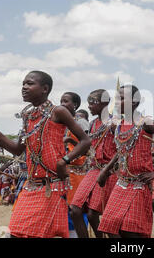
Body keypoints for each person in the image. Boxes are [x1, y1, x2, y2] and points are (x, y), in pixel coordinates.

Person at [0, 71, 91, 238]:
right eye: (23, 83)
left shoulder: (58, 111)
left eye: (30, 83)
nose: (24, 87)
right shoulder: (27, 116)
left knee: (29, 234)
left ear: (45, 88)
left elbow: (85, 141)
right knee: (16, 231)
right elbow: (18, 149)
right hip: (31, 185)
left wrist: (64, 160)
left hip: (51, 186)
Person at [97, 84, 154, 238]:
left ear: (134, 102)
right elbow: (121, 152)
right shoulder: (119, 125)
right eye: (116, 98)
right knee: (110, 227)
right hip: (121, 184)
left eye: (121, 98)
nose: (117, 102)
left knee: (130, 231)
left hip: (139, 185)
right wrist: (105, 171)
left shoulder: (145, 122)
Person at [71, 89, 117, 238]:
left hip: (109, 172)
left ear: (105, 103)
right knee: (75, 209)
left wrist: (108, 169)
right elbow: (88, 149)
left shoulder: (115, 122)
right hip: (92, 170)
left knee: (93, 215)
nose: (89, 106)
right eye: (88, 102)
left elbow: (123, 149)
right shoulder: (92, 124)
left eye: (93, 102)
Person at [60, 91, 89, 238]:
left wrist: (70, 141)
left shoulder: (80, 122)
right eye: (61, 101)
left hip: (77, 173)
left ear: (75, 105)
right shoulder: (61, 121)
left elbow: (86, 146)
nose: (63, 104)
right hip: (64, 172)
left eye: (66, 101)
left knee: (76, 209)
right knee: (64, 210)